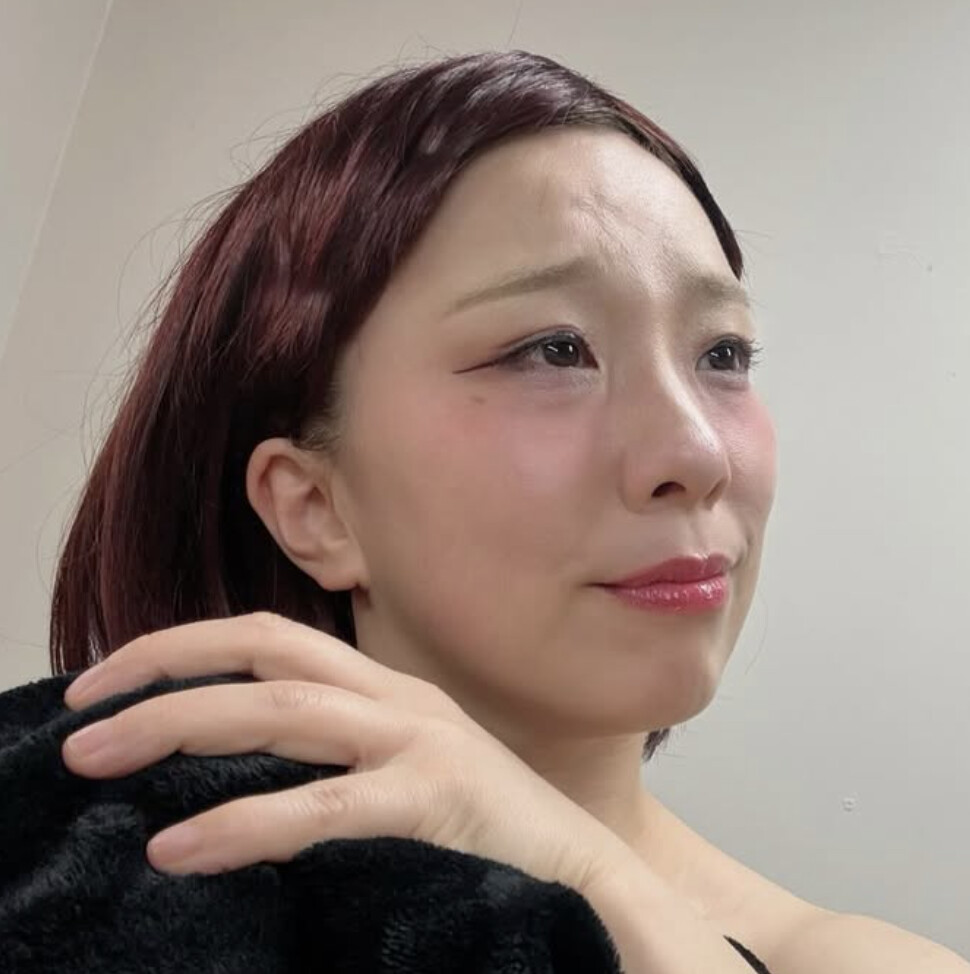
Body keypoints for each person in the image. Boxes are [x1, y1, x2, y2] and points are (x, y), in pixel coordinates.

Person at [46, 50, 966, 972]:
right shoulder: (91, 867)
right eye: (553, 349)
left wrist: (590, 878)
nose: (696, 456)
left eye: (722, 353)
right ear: (315, 507)